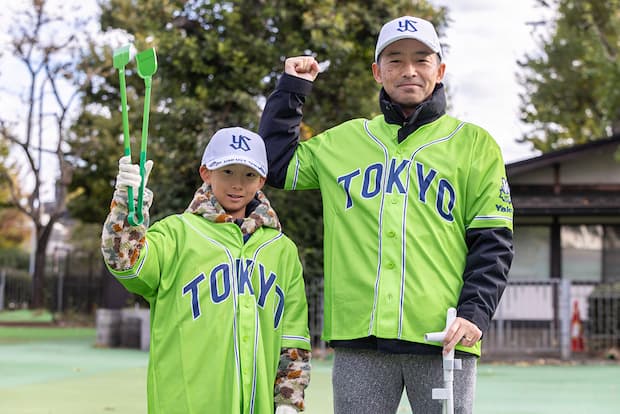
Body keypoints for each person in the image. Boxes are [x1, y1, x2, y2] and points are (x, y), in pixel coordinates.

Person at [258, 15, 514, 414]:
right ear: (378, 72)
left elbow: (493, 243)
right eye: (394, 60)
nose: (408, 70)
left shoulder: (475, 146)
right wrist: (292, 89)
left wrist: (473, 313)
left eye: (421, 59)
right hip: (361, 340)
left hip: (444, 335)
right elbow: (276, 165)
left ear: (440, 70)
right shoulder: (346, 140)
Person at [101, 127, 311, 414]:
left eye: (248, 174)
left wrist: (289, 401)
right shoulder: (176, 233)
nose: (237, 184)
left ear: (262, 180)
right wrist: (126, 205)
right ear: (206, 173)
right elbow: (125, 262)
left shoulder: (282, 250)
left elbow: (293, 338)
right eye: (227, 171)